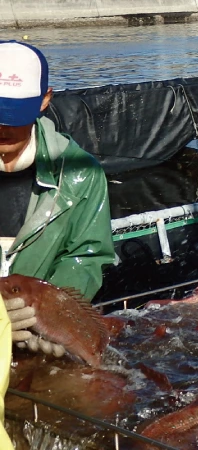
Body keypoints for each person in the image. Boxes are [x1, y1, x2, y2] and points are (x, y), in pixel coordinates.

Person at [0, 40, 114, 357]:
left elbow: (87, 255)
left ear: (44, 100)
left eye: (14, 114)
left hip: (35, 343)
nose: (4, 127)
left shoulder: (82, 174)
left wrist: (51, 316)